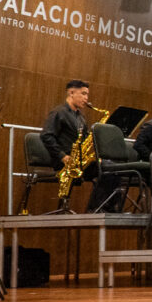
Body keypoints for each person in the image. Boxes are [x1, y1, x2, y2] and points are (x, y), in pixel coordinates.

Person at [40, 78, 120, 212]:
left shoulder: (80, 117)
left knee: (112, 168)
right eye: (83, 94)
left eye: (87, 94)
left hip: (80, 162)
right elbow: (46, 135)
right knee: (107, 168)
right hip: (65, 162)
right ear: (71, 93)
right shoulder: (59, 112)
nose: (86, 98)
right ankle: (95, 209)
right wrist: (62, 156)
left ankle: (105, 208)